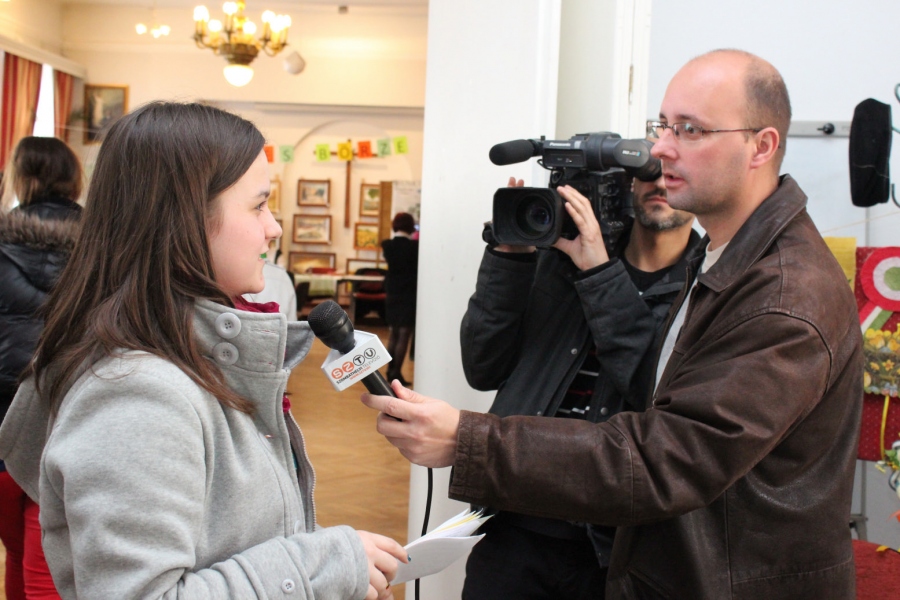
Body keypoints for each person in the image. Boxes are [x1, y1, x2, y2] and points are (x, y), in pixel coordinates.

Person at [361, 49, 863, 599]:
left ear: (761, 147)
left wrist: (466, 439)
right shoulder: (722, 261)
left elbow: (665, 458)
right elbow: (486, 362)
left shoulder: (784, 296)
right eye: (662, 126)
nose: (661, 150)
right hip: (549, 537)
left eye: (691, 129)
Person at [0, 102, 406, 600]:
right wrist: (319, 566)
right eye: (258, 206)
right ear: (185, 219)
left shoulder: (192, 361)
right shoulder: (136, 396)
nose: (274, 228)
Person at [458, 167, 699, 599]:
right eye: (649, 169)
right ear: (628, 181)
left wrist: (600, 273)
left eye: (674, 172)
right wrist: (509, 258)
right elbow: (482, 367)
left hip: (613, 547)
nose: (661, 183)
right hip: (513, 522)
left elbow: (655, 394)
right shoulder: (559, 258)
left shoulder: (704, 289)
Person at [0, 136, 83, 600]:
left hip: (3, 415)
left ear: (20, 177)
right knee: (48, 563)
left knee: (16, 554)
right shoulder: (106, 242)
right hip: (70, 415)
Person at [381, 212, 419, 385]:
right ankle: (396, 373)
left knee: (394, 333)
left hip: (392, 291)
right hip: (408, 292)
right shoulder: (415, 247)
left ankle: (390, 370)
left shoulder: (387, 245)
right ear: (411, 226)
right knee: (404, 333)